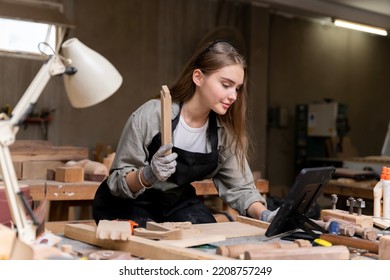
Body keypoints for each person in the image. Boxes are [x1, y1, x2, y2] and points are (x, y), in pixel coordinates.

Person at [93, 40, 277, 228]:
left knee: (207, 237)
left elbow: (241, 189)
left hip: (176, 202)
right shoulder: (152, 115)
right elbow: (117, 182)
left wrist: (265, 215)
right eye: (226, 85)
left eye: (237, 88)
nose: (234, 96)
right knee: (147, 240)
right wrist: (148, 175)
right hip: (129, 203)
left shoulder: (224, 135)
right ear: (198, 77)